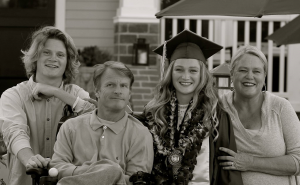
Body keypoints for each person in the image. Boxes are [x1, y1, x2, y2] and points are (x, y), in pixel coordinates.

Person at [130, 29, 243, 185]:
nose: (185, 76)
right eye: (179, 69)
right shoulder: (154, 113)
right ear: (170, 72)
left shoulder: (216, 115)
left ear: (202, 74)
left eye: (193, 70)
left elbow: (227, 169)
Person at [0, 26, 95, 185]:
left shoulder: (77, 95)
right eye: (46, 52)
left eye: (60, 55)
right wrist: (31, 160)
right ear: (35, 57)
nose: (53, 58)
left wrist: (55, 92)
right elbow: (15, 133)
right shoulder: (13, 95)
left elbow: (98, 120)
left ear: (67, 62)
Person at [50, 61, 154, 185]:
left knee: (112, 170)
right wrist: (103, 173)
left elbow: (136, 180)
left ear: (129, 93)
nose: (118, 91)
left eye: (124, 86)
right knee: (112, 170)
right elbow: (56, 167)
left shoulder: (141, 134)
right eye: (110, 85)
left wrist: (86, 173)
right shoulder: (70, 127)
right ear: (97, 90)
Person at [219, 45, 300, 185]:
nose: (249, 76)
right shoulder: (219, 109)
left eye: (257, 71)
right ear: (232, 74)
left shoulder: (280, 108)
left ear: (264, 76)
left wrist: (251, 163)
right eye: (243, 70)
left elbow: (298, 160)